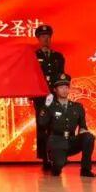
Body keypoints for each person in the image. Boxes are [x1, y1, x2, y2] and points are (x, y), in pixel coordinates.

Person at [40, 73, 96, 178]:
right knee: (57, 169)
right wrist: (46, 106)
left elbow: (83, 126)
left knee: (89, 137)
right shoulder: (51, 106)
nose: (64, 90)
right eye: (61, 87)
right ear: (55, 90)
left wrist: (84, 132)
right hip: (57, 141)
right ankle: (56, 161)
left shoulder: (77, 107)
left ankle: (85, 169)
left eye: (66, 87)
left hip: (71, 140)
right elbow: (42, 123)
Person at [32, 24, 65, 170]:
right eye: (43, 37)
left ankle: (56, 157)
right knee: (42, 127)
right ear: (38, 39)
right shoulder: (33, 57)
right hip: (40, 97)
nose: (46, 39)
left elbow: (61, 77)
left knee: (56, 126)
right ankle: (45, 159)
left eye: (48, 36)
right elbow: (31, 77)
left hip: (54, 96)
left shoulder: (58, 57)